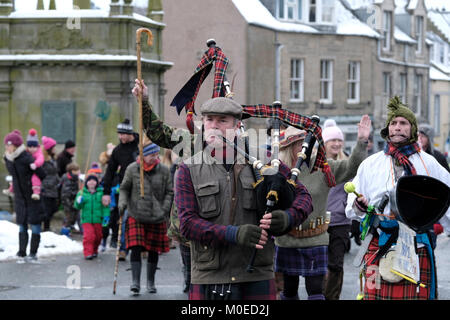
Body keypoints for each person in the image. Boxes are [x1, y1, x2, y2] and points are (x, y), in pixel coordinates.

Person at [174, 97, 313, 300]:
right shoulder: (188, 169)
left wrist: (287, 218)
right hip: (210, 275)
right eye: (209, 119)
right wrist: (233, 234)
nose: (214, 126)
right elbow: (187, 224)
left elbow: (303, 196)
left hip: (256, 274)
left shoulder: (266, 162)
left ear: (238, 125)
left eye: (223, 120)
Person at [345, 96, 450, 300]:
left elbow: (446, 200)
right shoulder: (370, 164)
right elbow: (351, 206)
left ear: (413, 129)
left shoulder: (430, 164)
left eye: (403, 123)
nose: (398, 128)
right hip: (379, 241)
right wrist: (359, 205)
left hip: (416, 244)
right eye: (393, 123)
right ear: (387, 129)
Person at [275, 114, 371, 300]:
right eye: (299, 144)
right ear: (288, 147)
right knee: (288, 293)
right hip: (287, 241)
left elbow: (352, 167)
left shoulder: (322, 167)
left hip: (315, 239)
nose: (305, 148)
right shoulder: (278, 170)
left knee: (316, 293)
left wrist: (361, 141)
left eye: (307, 143)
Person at [118, 142, 173, 295]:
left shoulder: (164, 170)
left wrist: (165, 209)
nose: (155, 158)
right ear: (143, 155)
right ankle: (135, 282)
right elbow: (124, 188)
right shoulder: (132, 169)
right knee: (135, 248)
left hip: (157, 216)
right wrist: (122, 203)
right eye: (151, 155)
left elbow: (170, 191)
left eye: (156, 155)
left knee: (153, 250)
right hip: (136, 214)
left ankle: (151, 282)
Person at [321, 120, 353, 300]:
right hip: (319, 221)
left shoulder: (347, 163)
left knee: (336, 265)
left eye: (339, 140)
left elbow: (355, 190)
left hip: (340, 221)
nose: (336, 144)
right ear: (324, 143)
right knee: (319, 264)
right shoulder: (316, 163)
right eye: (332, 140)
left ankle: (331, 297)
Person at [3, 130, 46, 262]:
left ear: (15, 145)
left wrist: (33, 178)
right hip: (20, 198)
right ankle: (22, 251)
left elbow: (42, 174)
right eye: (6, 145)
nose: (7, 147)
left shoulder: (26, 158)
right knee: (22, 225)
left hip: (33, 197)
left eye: (9, 145)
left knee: (35, 224)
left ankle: (33, 252)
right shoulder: (8, 159)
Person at [102, 119, 139, 261]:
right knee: (123, 220)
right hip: (126, 188)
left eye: (123, 134)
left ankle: (142, 247)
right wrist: (106, 192)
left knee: (142, 218)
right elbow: (110, 172)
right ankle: (123, 249)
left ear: (130, 133)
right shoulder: (118, 150)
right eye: (119, 134)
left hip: (142, 187)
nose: (121, 137)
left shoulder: (140, 145)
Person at [74, 174, 110, 260]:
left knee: (98, 236)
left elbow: (105, 206)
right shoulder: (81, 193)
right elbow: (77, 206)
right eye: (89, 180)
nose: (92, 182)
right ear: (86, 183)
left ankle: (94, 250)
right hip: (86, 219)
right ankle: (88, 252)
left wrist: (106, 216)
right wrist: (79, 202)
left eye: (94, 180)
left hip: (98, 219)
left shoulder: (101, 193)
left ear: (97, 182)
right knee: (89, 236)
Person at [40, 135, 61, 231]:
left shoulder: (53, 158)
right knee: (47, 210)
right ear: (49, 148)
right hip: (46, 188)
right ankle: (45, 229)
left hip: (53, 187)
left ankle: (46, 227)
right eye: (53, 147)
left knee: (54, 208)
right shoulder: (43, 160)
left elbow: (55, 172)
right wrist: (45, 184)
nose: (55, 149)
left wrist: (58, 181)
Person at [60, 162, 81, 236]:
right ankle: (64, 231)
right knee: (69, 217)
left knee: (74, 216)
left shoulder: (75, 178)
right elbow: (67, 192)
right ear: (72, 171)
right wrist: (77, 193)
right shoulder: (68, 178)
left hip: (73, 201)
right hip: (68, 202)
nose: (79, 171)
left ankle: (70, 228)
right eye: (77, 170)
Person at [25, 129, 45, 201]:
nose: (32, 149)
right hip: (27, 172)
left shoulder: (39, 153)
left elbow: (41, 159)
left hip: (35, 170)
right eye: (30, 147)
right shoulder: (25, 152)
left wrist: (35, 164)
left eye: (34, 147)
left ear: (37, 146)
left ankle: (36, 192)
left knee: (35, 178)